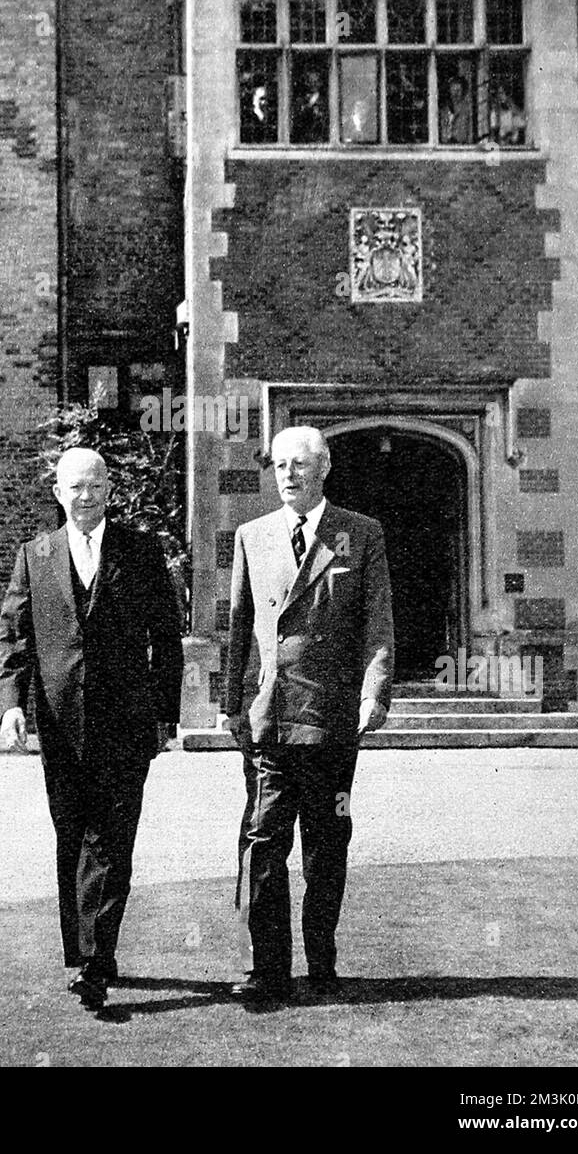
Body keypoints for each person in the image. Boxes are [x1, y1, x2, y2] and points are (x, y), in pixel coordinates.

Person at [0, 446, 183, 1011]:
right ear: (58, 493)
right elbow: (14, 635)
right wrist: (12, 704)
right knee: (71, 838)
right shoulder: (35, 555)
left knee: (110, 841)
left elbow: (166, 641)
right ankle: (81, 955)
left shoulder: (142, 553)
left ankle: (94, 962)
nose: (85, 496)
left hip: (127, 726)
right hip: (60, 726)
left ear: (109, 490)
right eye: (74, 487)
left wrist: (163, 716)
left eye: (95, 486)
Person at [226, 426, 394, 1006]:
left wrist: (375, 692)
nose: (288, 475)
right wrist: (231, 705)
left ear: (324, 467)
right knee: (263, 841)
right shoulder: (253, 536)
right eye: (279, 465)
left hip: (330, 719)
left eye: (299, 464)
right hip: (270, 717)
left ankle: (321, 960)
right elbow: (238, 629)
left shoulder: (360, 533)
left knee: (327, 844)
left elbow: (377, 622)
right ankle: (267, 970)